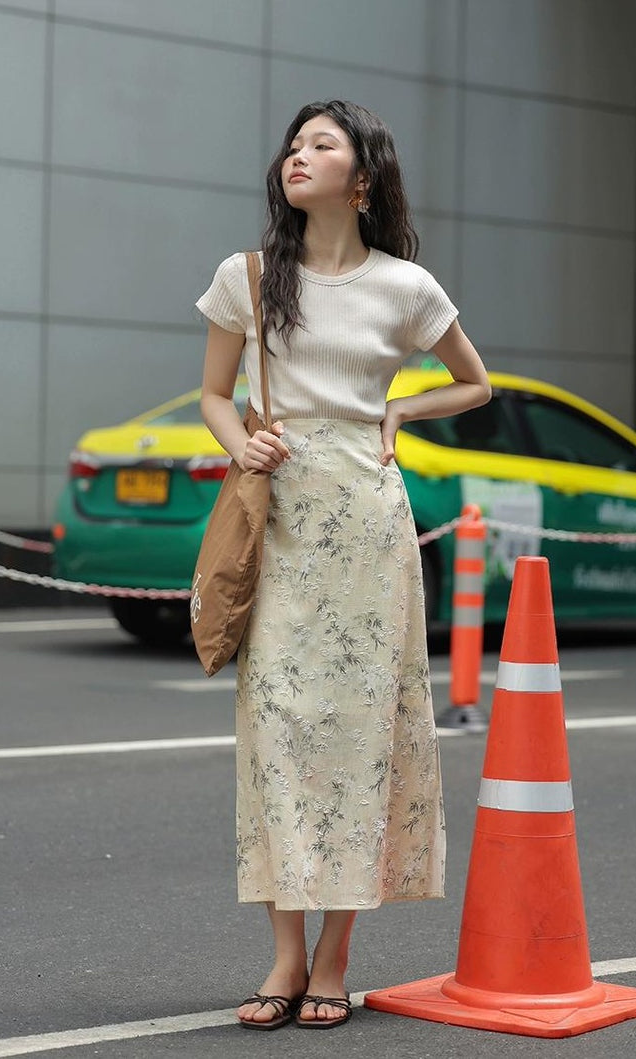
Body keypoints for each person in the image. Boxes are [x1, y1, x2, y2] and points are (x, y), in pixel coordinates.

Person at [196, 100, 491, 1030]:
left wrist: (400, 410)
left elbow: (475, 381)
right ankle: (286, 955)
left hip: (367, 524)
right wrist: (241, 442)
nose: (298, 154)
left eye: (321, 144)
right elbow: (213, 394)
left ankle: (335, 955)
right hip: (280, 520)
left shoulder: (406, 286)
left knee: (361, 738)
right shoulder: (247, 277)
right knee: (278, 734)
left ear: (362, 177)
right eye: (293, 144)